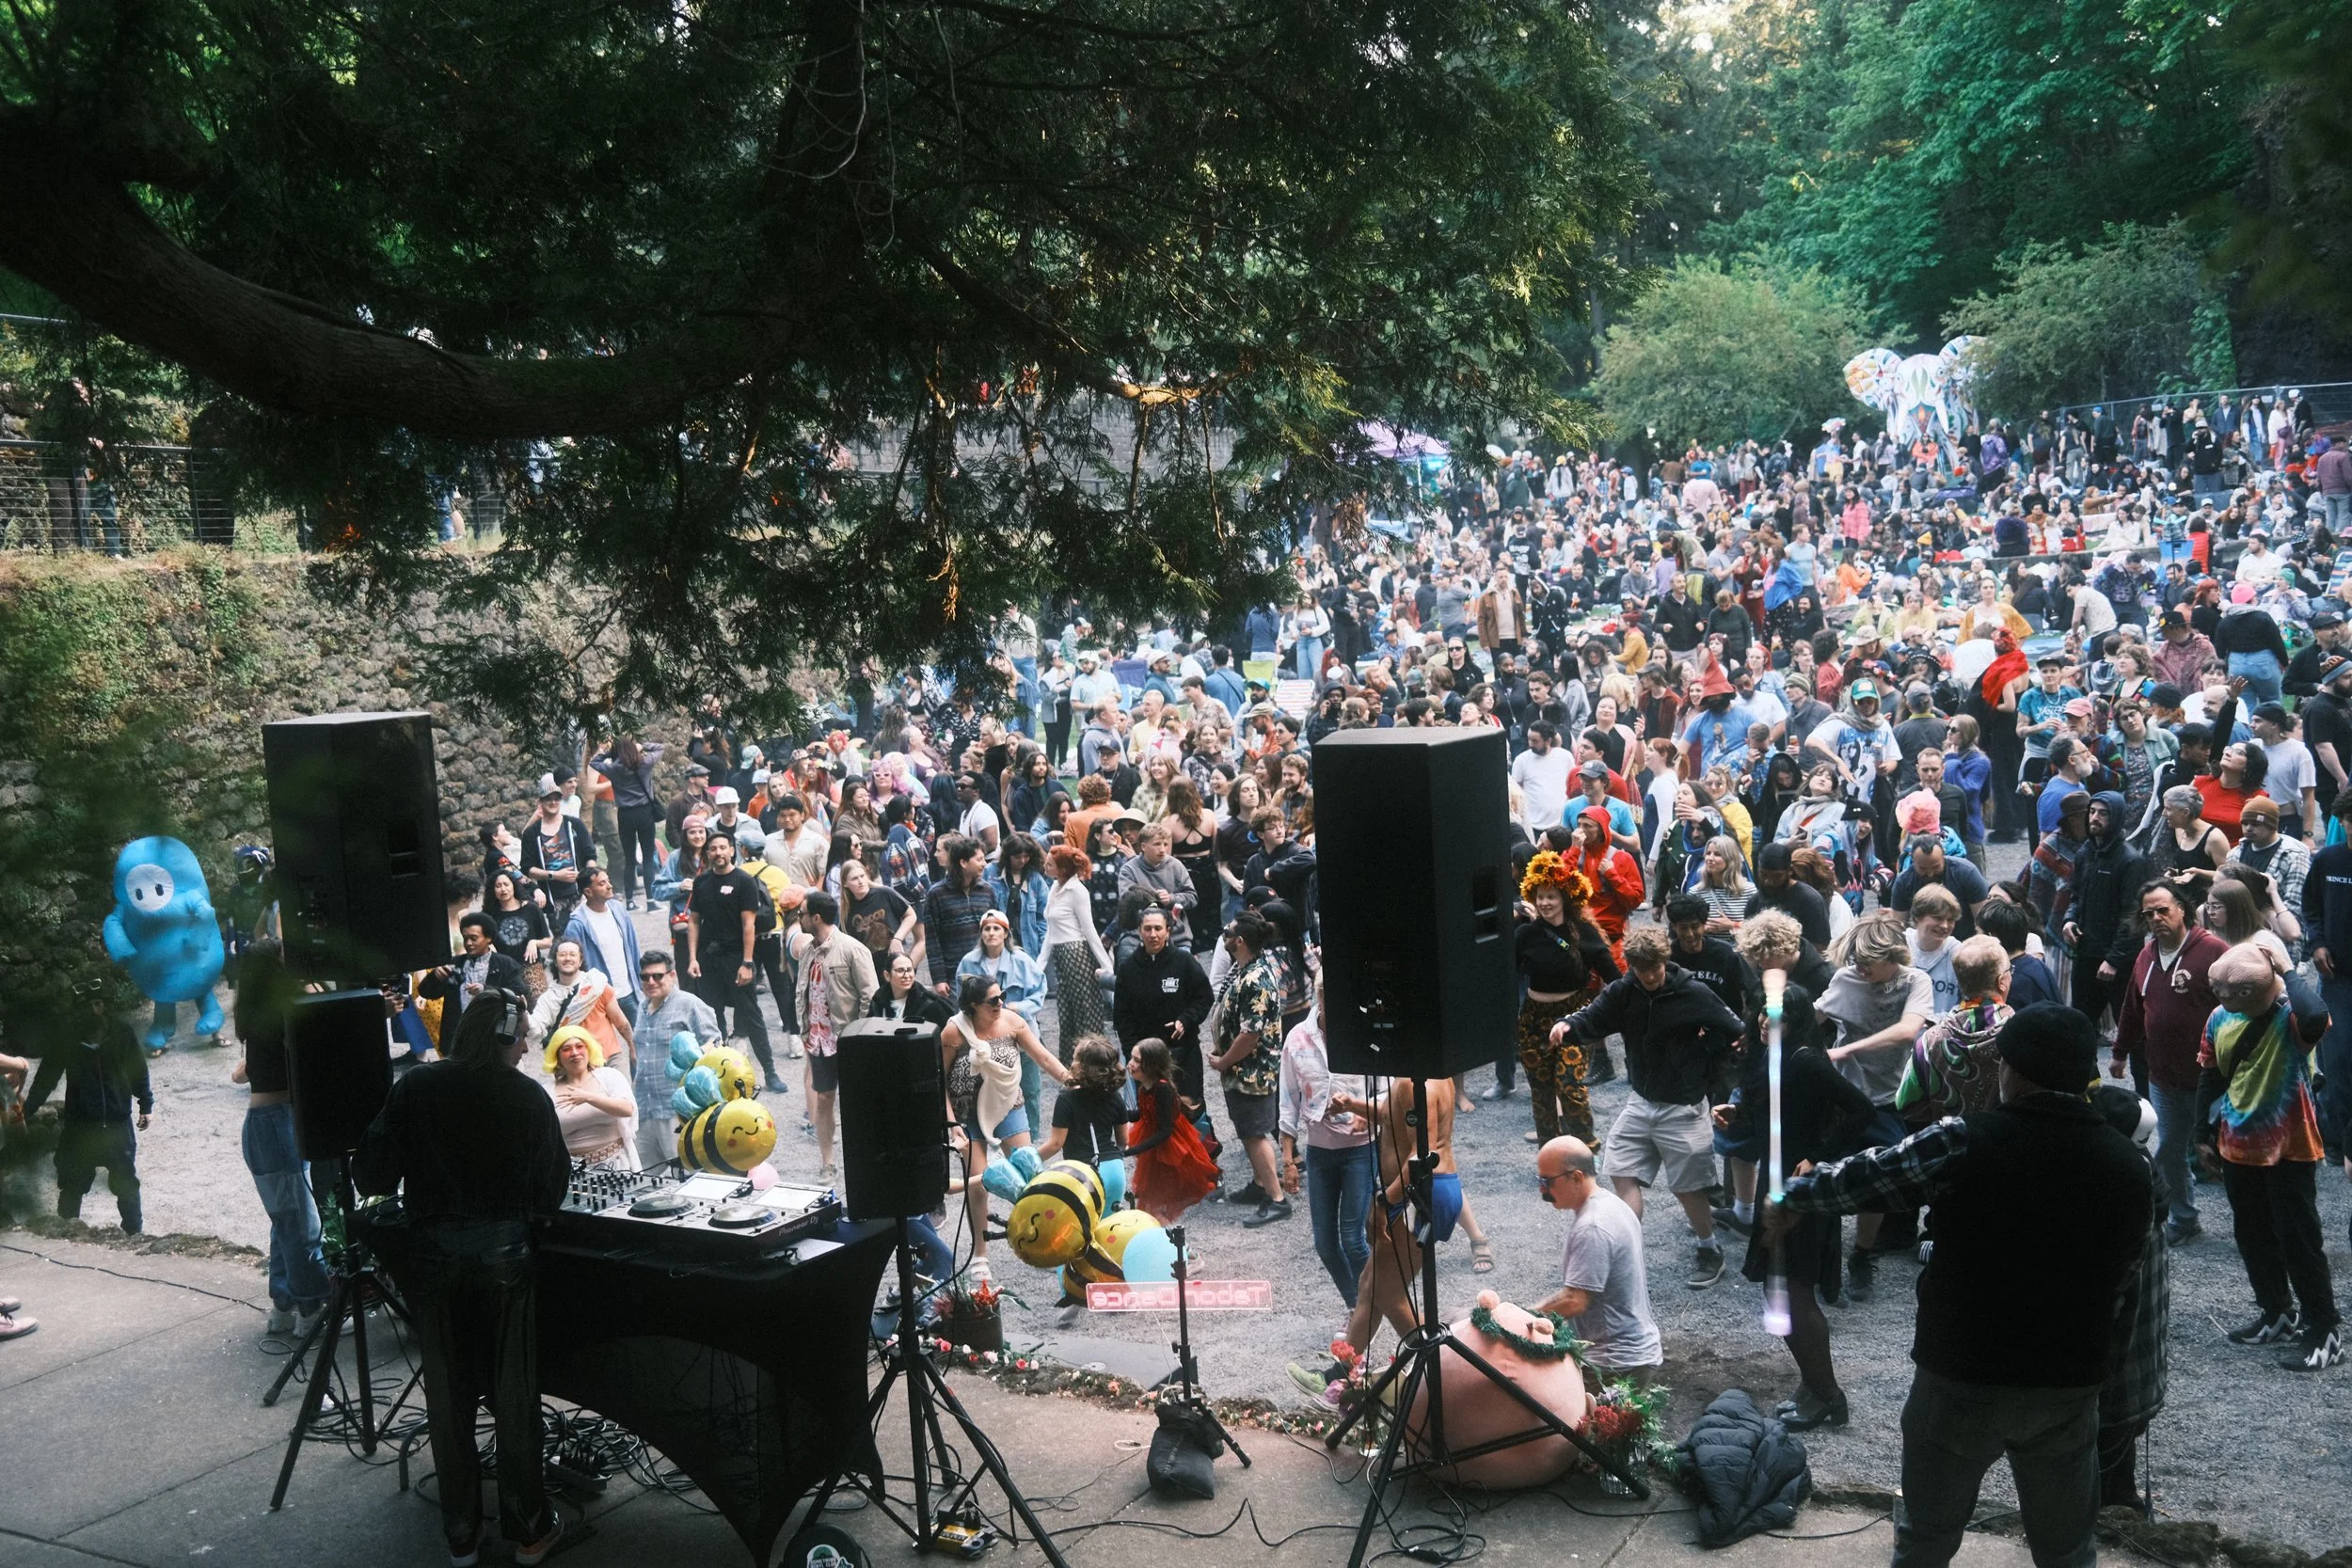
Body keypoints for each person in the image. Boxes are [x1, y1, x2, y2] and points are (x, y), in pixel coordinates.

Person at [1763, 1004, 2153, 1568]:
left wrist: (1793, 1196)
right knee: (2067, 1550)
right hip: (2067, 1380)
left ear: (2010, 1070)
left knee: (1925, 1540)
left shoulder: (1964, 1140)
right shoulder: (2131, 1166)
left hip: (1961, 1371)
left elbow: (1873, 1175)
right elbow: (2125, 1277)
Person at [354, 989, 570, 1567]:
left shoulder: (417, 1086)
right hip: (505, 1264)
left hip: (434, 1264)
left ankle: (461, 1537)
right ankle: (530, 1531)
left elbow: (372, 1174)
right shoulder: (527, 1097)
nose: (525, 1048)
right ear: (503, 1036)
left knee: (449, 1403)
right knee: (514, 1398)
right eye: (521, 1038)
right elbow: (551, 1191)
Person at [1721, 920, 1876, 1428]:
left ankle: (1827, 1395)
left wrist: (1820, 1157)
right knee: (1781, 1290)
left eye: (1778, 1020)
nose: (1767, 1026)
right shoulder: (1772, 1057)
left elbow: (1860, 1111)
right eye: (1763, 1019)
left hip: (1802, 1189)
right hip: (1779, 1181)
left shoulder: (1807, 1060)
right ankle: (1815, 1386)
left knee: (1792, 1292)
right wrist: (1737, 1113)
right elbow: (1776, 1114)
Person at [1550, 926, 1741, 1289]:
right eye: (1642, 970)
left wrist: (1707, 1052)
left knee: (1687, 1187)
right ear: (1632, 967)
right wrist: (1566, 1025)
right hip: (1641, 1101)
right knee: (1621, 1169)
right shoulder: (1625, 991)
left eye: (1655, 968)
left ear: (1665, 961)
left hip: (1683, 1107)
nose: (1650, 977)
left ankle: (1709, 1249)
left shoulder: (1692, 992)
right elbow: (1593, 1016)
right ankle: (1626, 1250)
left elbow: (1734, 1028)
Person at [2201, 943, 2342, 1369]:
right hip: (2238, 1143)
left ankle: (2325, 1331)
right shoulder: (2219, 1017)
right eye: (2220, 990)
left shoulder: (2293, 1017)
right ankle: (2278, 1313)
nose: (2224, 998)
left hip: (2290, 1147)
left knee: (2299, 1241)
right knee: (2253, 1235)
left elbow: (2317, 1016)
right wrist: (2202, 1136)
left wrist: (2286, 969)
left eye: (2234, 992)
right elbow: (2211, 1075)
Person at [1814, 911, 1934, 1301]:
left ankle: (1862, 1255)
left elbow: (1908, 1030)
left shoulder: (1916, 981)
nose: (1860, 969)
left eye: (1868, 963)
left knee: (1878, 1181)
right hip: (1844, 1098)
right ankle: (1825, 1258)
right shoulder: (1846, 979)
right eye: (1857, 961)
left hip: (1888, 1098)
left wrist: (1847, 1049)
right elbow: (1811, 1016)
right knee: (1829, 1174)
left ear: (1892, 956)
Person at [2108, 879, 2223, 1245]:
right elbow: (2132, 1008)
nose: (2156, 918)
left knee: (2228, 1157)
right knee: (2172, 1150)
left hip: (2212, 1080)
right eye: (2149, 913)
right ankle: (2185, 1219)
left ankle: (2258, 1225)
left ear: (2182, 909)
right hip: (2164, 1077)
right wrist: (2120, 1051)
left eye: (2163, 910)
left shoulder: (2213, 951)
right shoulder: (2146, 956)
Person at [228, 942, 327, 1338]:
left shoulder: (255, 1012)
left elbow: (243, 1073)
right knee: (302, 1225)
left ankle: (283, 1306)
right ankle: (311, 1311)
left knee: (284, 1221)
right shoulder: (285, 1009)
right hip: (280, 1123)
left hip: (259, 1125)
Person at [1515, 852, 1620, 1144]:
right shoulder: (1525, 934)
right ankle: (1550, 1153)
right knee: (1541, 1092)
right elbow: (1503, 975)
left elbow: (1614, 977)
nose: (1545, 903)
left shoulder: (1583, 933)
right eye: (1540, 897)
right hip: (1533, 1019)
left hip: (1573, 1017)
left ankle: (1586, 1149)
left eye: (1551, 896)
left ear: (1564, 899)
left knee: (1570, 1087)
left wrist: (1618, 1011)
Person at [1277, 992, 1375, 1307]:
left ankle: (1374, 1305)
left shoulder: (1363, 1032)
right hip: (1319, 1152)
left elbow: (1388, 1087)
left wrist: (1366, 1111)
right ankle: (1355, 1306)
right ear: (1320, 996)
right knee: (1325, 1245)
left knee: (1353, 1240)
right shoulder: (1297, 1038)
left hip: (1360, 1149)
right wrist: (1288, 1160)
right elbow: (1288, 1101)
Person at [1534, 1136, 1663, 1374]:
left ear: (1576, 1177)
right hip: (1631, 1356)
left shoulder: (1592, 1227)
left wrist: (1524, 1318)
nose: (1542, 1190)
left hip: (1614, 1363)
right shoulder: (1612, 1203)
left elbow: (1575, 1300)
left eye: (1547, 1181)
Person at [1209, 911, 1292, 1223]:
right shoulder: (1247, 968)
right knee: (1247, 1130)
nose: (1225, 935)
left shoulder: (1255, 979)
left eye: (1228, 932)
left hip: (1252, 1071)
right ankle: (1260, 1185)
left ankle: (1277, 1199)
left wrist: (1223, 1060)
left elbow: (1249, 1036)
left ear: (1240, 941)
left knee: (1255, 1134)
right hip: (1243, 1069)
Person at [796, 890, 879, 1187]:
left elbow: (870, 996)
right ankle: (828, 1163)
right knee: (824, 1099)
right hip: (818, 1040)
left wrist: (859, 1036)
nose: (798, 918)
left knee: (858, 1103)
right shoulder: (807, 951)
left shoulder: (852, 949)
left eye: (802, 914)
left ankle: (866, 1161)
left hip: (848, 1040)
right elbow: (803, 992)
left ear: (816, 917)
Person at [685, 832, 778, 1079]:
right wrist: (693, 958)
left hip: (737, 957)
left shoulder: (744, 881)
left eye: (722, 848)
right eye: (713, 849)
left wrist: (747, 963)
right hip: (708, 958)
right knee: (711, 1016)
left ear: (732, 851)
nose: (718, 853)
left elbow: (749, 925)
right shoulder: (701, 882)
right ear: (707, 853)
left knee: (751, 1013)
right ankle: (719, 1074)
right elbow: (694, 921)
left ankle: (770, 1072)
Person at [628, 952, 720, 1166]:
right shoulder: (642, 1007)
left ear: (672, 975)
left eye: (657, 976)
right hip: (645, 1106)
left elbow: (715, 1042)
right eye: (645, 977)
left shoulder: (690, 1004)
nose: (651, 982)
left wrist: (694, 1058)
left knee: (684, 1172)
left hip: (676, 1110)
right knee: (642, 1176)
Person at [1126, 1037, 1222, 1223]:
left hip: (1169, 1150)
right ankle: (1159, 1230)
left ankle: (1166, 1234)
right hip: (1154, 1145)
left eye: (1136, 1060)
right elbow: (1144, 1113)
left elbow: (1165, 1131)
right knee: (1152, 1200)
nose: (1130, 1064)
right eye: (1132, 1058)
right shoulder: (1144, 1088)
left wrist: (1134, 1149)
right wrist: (1116, 1114)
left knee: (1159, 1200)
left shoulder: (1162, 1090)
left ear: (1151, 1065)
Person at [417, 913, 527, 1056]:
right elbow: (427, 992)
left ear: (489, 938)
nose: (468, 943)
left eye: (474, 938)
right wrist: (435, 977)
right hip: (458, 1037)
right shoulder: (454, 964)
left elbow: (519, 992)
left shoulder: (506, 964)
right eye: (465, 938)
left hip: (493, 1036)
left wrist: (486, 990)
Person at [527, 937, 637, 1074]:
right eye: (562, 954)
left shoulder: (596, 984)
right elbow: (535, 1028)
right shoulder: (549, 999)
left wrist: (633, 1048)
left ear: (580, 961)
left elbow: (621, 1022)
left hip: (610, 1060)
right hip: (574, 1068)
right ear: (555, 961)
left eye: (573, 954)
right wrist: (522, 1012)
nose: (568, 958)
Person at [540, 1023, 637, 1170]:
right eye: (566, 1049)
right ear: (557, 1057)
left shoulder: (609, 1076)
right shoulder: (547, 1091)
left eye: (580, 1046)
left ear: (589, 1049)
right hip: (571, 1171)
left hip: (616, 1165)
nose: (574, 1053)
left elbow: (627, 1109)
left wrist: (588, 1098)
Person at [870, 950, 955, 1028]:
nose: (906, 976)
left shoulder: (930, 1004)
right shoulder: (878, 1001)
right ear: (887, 975)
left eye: (909, 970)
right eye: (900, 970)